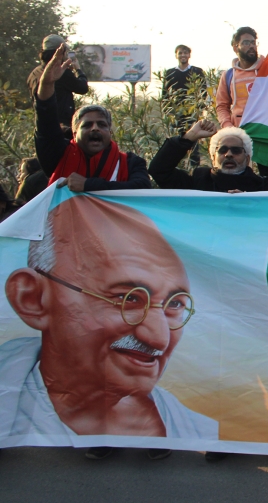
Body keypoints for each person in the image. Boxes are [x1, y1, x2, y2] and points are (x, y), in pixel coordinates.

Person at [0, 195, 217, 459]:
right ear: (32, 298)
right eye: (129, 299)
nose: (159, 338)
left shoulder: (199, 429)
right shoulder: (8, 409)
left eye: (175, 305)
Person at [34, 44, 151, 193]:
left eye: (101, 124)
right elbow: (46, 122)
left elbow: (142, 190)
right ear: (75, 134)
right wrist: (47, 84)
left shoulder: (130, 163)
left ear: (110, 132)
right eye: (87, 125)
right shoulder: (58, 155)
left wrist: (89, 185)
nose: (95, 128)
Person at [149, 120, 268, 193]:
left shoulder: (265, 188)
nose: (228, 154)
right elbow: (159, 171)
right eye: (222, 150)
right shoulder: (197, 183)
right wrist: (190, 136)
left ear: (247, 159)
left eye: (236, 150)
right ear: (213, 158)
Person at [215, 27, 268, 177]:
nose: (251, 46)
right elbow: (222, 105)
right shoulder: (228, 75)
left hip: (265, 132)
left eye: (253, 42)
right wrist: (228, 127)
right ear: (235, 47)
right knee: (238, 173)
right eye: (246, 43)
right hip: (239, 133)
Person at [26, 35, 89, 136]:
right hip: (62, 128)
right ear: (60, 52)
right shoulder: (60, 73)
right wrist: (78, 70)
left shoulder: (34, 73)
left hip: (41, 127)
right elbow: (82, 88)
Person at [162, 45, 206, 168]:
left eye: (185, 53)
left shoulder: (197, 71)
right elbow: (165, 95)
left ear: (189, 55)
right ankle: (178, 168)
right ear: (176, 55)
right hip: (176, 115)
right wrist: (168, 113)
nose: (183, 55)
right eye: (180, 53)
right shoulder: (170, 73)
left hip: (192, 114)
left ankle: (194, 170)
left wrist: (199, 111)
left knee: (194, 143)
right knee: (176, 142)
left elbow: (203, 92)